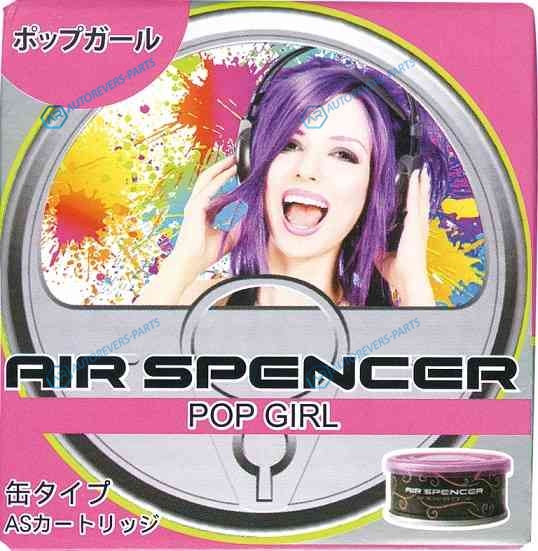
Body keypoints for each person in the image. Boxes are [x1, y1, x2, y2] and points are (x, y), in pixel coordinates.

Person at [135, 57, 447, 307]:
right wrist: (181, 265)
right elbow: (119, 364)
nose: (308, 169)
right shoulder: (191, 303)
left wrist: (414, 289)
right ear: (251, 161)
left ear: (386, 188)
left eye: (343, 154)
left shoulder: (384, 334)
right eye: (289, 145)